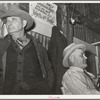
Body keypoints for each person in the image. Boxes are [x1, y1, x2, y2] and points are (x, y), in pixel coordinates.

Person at [0, 4, 54, 94]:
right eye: (7, 21)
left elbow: (48, 70)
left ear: (24, 23)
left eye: (13, 19)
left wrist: (48, 89)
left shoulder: (38, 46)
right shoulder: (1, 45)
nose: (8, 24)